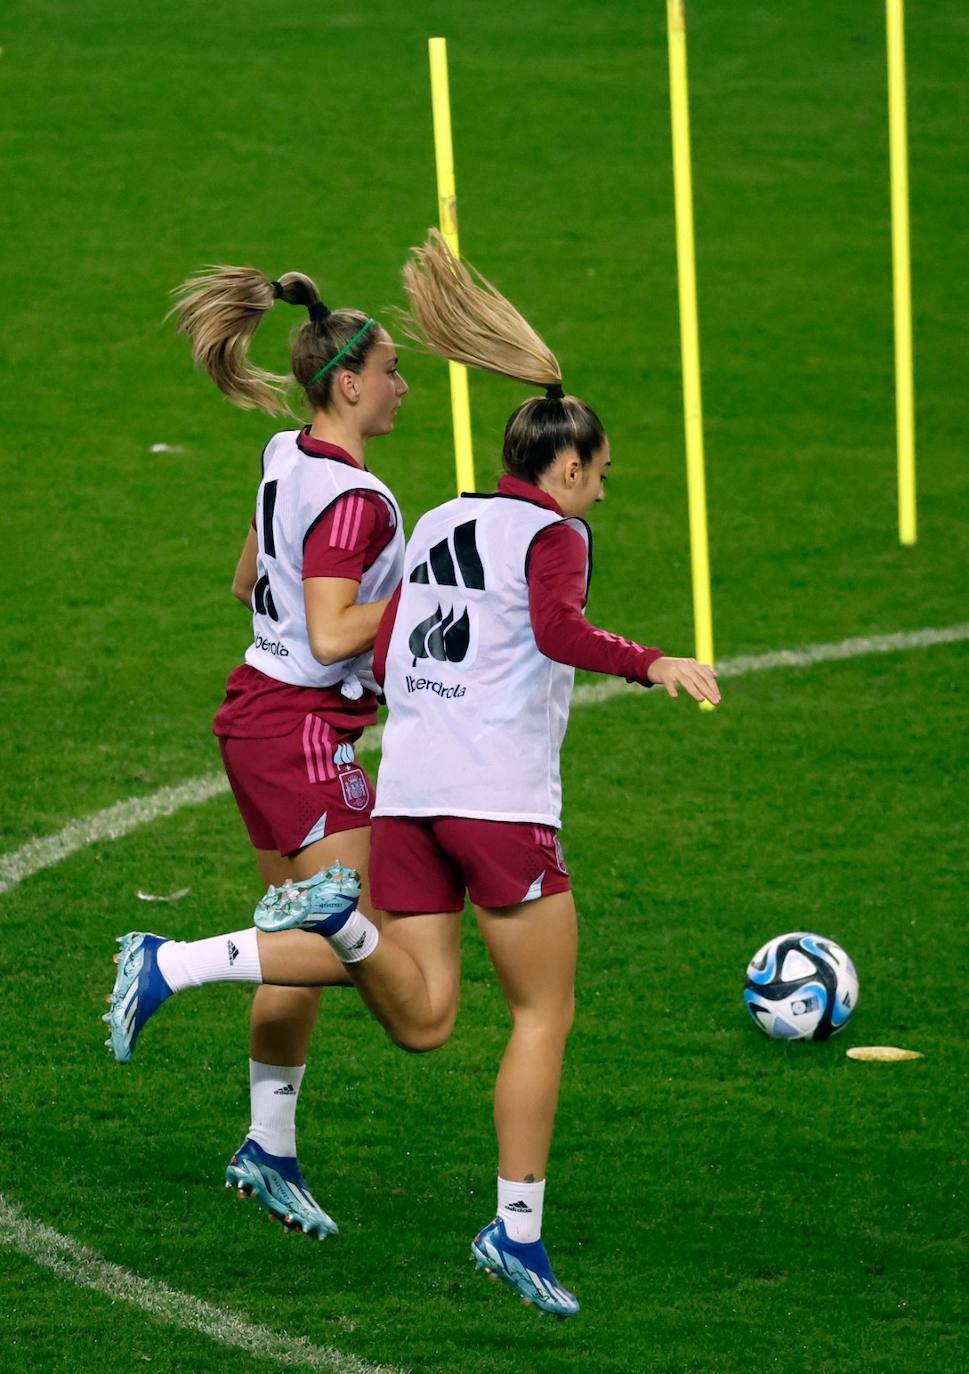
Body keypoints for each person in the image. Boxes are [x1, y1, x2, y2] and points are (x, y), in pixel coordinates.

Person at [106, 231, 719, 1316]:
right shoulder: (478, 523)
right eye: (600, 477)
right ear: (564, 468)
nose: (604, 494)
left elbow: (297, 598)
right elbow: (531, 626)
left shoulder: (410, 506)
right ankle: (515, 1233)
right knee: (540, 1011)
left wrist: (425, 654)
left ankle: (280, 1104)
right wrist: (652, 660)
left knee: (421, 1010)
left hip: (385, 781)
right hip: (442, 781)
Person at [103, 264, 408, 1240]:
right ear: (349, 384)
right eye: (394, 372)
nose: (405, 386)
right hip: (304, 735)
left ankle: (268, 1149)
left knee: (296, 937)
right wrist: (433, 604)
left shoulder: (288, 454)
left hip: (255, 717)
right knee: (371, 946)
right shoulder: (356, 500)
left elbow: (246, 583)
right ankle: (170, 962)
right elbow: (328, 633)